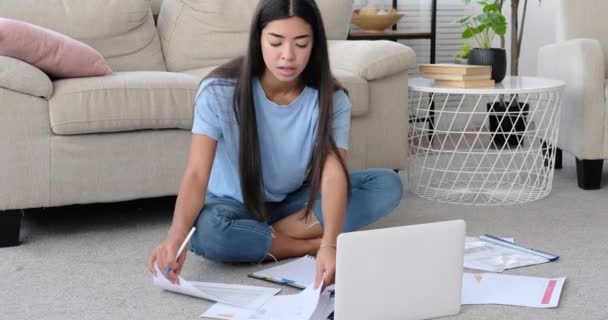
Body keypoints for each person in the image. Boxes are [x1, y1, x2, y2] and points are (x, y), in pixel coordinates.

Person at [147, 0, 403, 289]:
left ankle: (261, 237)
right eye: (276, 42)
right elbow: (196, 174)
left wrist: (330, 245)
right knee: (208, 234)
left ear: (315, 44)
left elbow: (332, 175)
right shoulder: (218, 90)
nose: (288, 56)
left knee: (386, 185)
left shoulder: (332, 98)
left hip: (294, 202)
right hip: (231, 204)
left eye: (301, 43)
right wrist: (175, 237)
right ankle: (303, 244)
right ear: (258, 39)